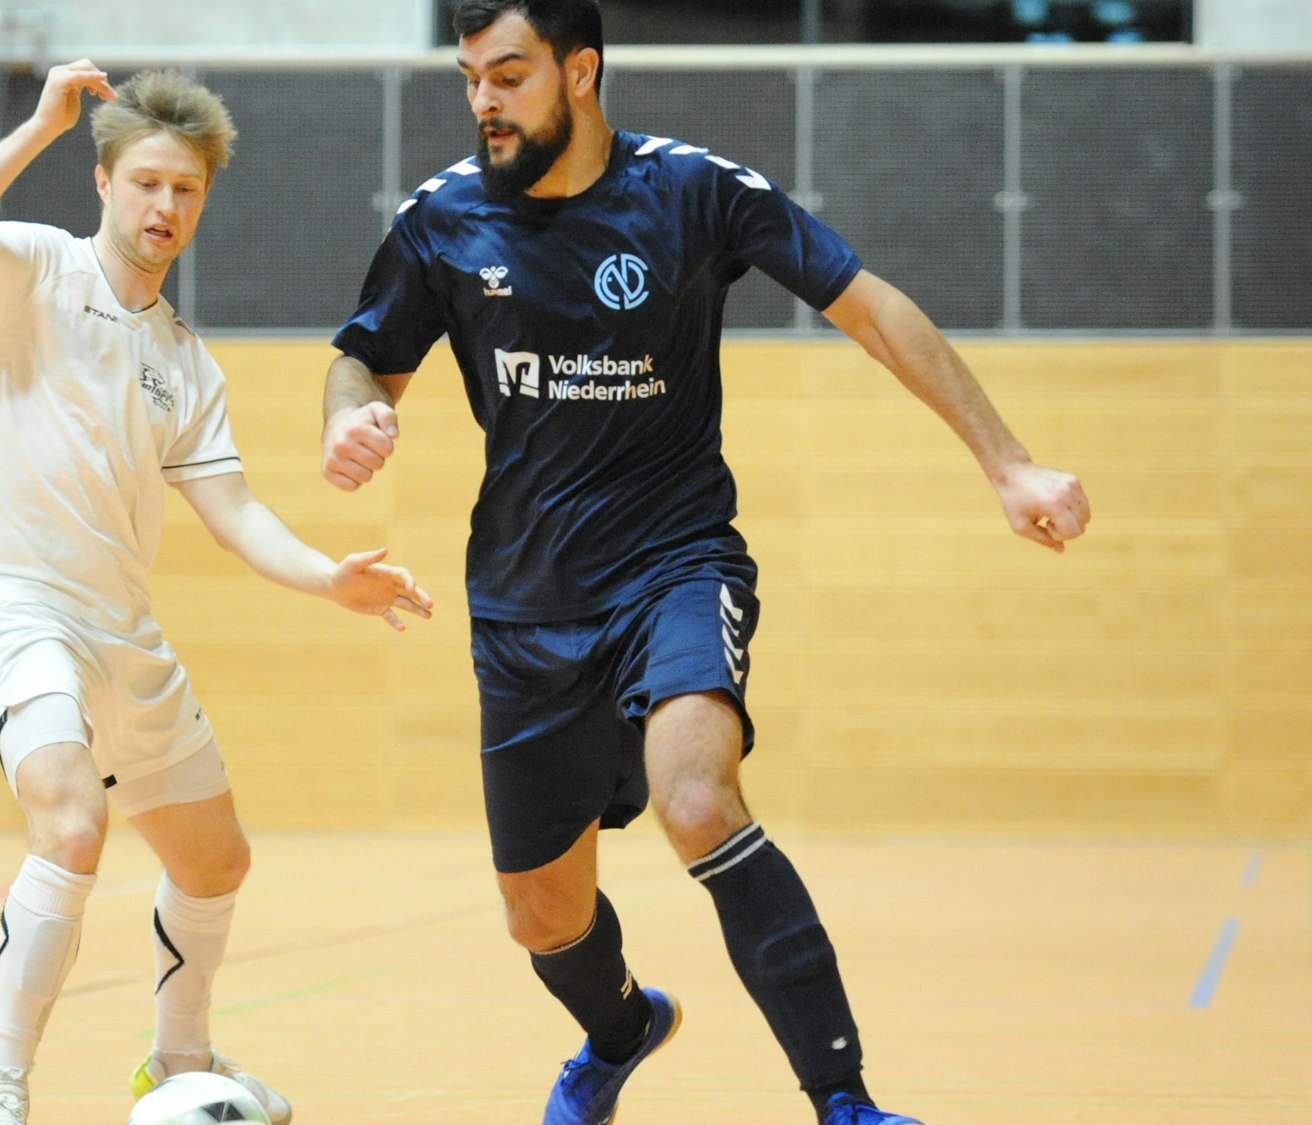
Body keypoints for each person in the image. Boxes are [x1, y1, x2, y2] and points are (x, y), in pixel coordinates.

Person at [318, 2, 1090, 1123]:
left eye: (508, 74)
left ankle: (845, 1104)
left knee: (695, 801)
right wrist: (352, 418)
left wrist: (1006, 465)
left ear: (578, 71)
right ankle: (622, 1028)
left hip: (672, 565)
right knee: (540, 916)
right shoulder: (440, 219)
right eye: (469, 77)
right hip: (525, 607)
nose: (483, 101)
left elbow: (871, 311)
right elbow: (362, 359)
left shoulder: (692, 190)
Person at [0, 62, 433, 1125]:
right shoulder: (33, 271)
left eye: (185, 190)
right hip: (11, 601)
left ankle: (177, 1063)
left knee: (215, 856)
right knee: (68, 826)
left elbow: (233, 514)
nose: (165, 208)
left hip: (119, 628)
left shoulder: (183, 363)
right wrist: (42, 125)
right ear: (103, 182)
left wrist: (329, 576)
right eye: (145, 183)